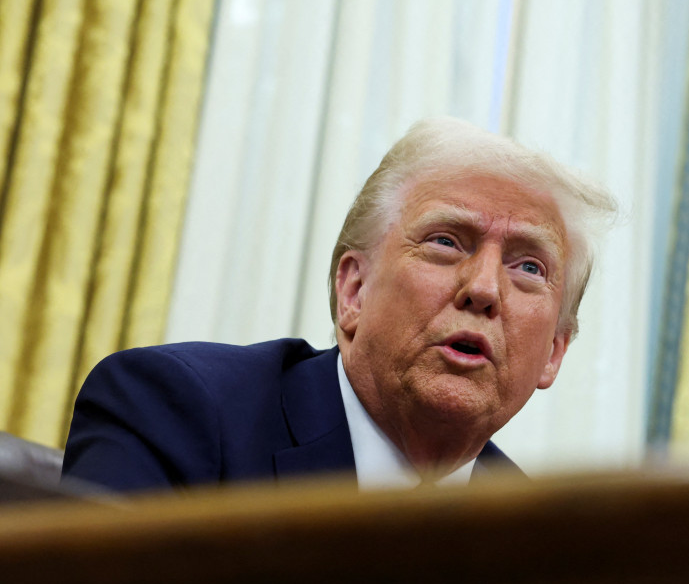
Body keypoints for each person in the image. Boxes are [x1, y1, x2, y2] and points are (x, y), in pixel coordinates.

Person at [61, 117, 616, 492]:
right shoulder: (175, 411)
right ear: (353, 290)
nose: (485, 289)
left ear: (554, 353)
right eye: (446, 242)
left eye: (528, 267)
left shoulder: (544, 542)